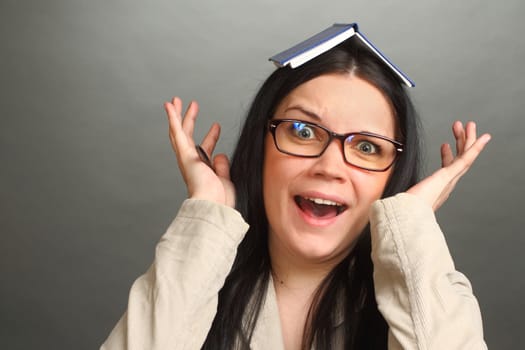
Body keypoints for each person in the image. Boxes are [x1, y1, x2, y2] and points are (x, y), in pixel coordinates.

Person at [101, 31, 490, 350]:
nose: (330, 167)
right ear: (261, 145)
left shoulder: (434, 295)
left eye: (367, 146)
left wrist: (412, 228)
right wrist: (207, 217)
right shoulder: (191, 278)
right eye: (303, 131)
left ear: (393, 175)